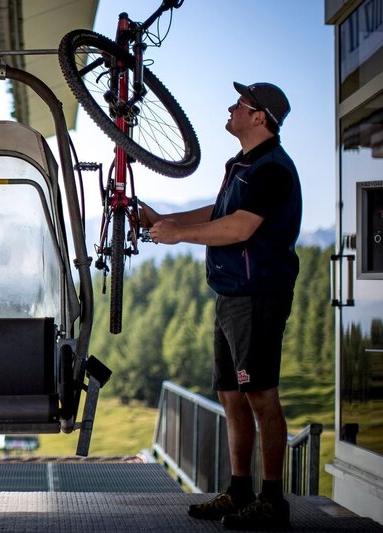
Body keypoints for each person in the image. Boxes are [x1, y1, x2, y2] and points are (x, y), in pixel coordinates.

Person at [140, 82, 299, 530]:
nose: (231, 107)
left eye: (240, 104)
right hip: (232, 296)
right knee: (231, 396)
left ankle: (272, 501)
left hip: (258, 296)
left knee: (261, 395)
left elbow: (240, 228)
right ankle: (239, 491)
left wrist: (177, 236)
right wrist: (165, 220)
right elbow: (218, 212)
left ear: (259, 117)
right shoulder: (244, 166)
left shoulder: (272, 170)